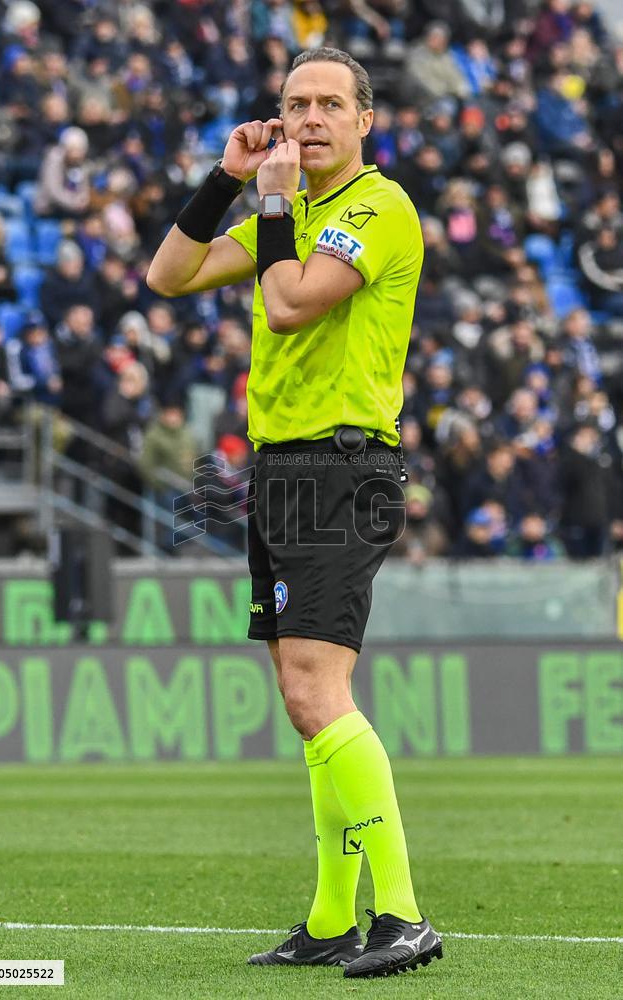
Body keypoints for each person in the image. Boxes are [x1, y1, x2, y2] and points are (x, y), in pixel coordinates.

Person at [147, 46, 441, 979]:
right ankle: (329, 920)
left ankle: (401, 913)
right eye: (293, 103)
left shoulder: (377, 208)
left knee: (321, 694)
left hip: (342, 466)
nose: (308, 118)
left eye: (328, 104)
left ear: (364, 122)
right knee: (302, 704)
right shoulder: (295, 210)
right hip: (278, 470)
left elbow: (285, 305)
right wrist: (226, 179)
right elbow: (168, 275)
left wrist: (268, 204)